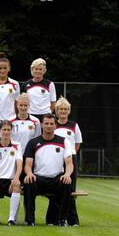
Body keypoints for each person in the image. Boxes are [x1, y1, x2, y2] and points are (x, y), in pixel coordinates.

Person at [23, 114, 73, 226]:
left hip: (57, 179)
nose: (49, 126)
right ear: (41, 125)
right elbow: (27, 165)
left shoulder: (64, 141)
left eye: (51, 124)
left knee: (66, 183)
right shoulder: (32, 142)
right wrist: (29, 173)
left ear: (56, 125)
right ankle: (30, 220)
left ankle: (62, 220)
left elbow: (69, 163)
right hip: (39, 178)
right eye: (46, 123)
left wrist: (67, 174)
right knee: (29, 182)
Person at [50, 97, 82, 226]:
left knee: (70, 191)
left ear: (69, 111)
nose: (63, 111)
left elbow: (77, 144)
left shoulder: (74, 125)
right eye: (61, 109)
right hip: (55, 160)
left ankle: (72, 220)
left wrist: (69, 155)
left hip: (70, 160)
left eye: (66, 109)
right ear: (56, 111)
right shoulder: (52, 124)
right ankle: (53, 219)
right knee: (54, 190)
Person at [0, 120, 23, 226]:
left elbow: (19, 164)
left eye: (8, 130)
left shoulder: (17, 145)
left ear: (11, 131)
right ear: (0, 131)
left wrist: (16, 178)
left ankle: (11, 220)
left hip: (10, 181)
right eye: (4, 130)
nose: (6, 132)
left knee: (17, 185)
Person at [21, 58, 56, 122]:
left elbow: (53, 102)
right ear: (32, 70)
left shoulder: (50, 84)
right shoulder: (25, 85)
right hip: (30, 115)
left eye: (40, 69)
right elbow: (22, 102)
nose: (38, 71)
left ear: (44, 71)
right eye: (36, 69)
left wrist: (48, 114)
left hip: (45, 116)